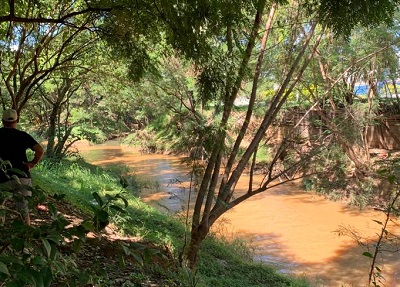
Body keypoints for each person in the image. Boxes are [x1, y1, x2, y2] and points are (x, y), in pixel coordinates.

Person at [0, 108, 44, 225]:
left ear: (2, 120)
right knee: (24, 211)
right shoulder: (23, 136)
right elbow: (40, 150)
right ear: (17, 120)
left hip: (2, 177)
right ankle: (26, 236)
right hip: (22, 177)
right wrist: (32, 163)